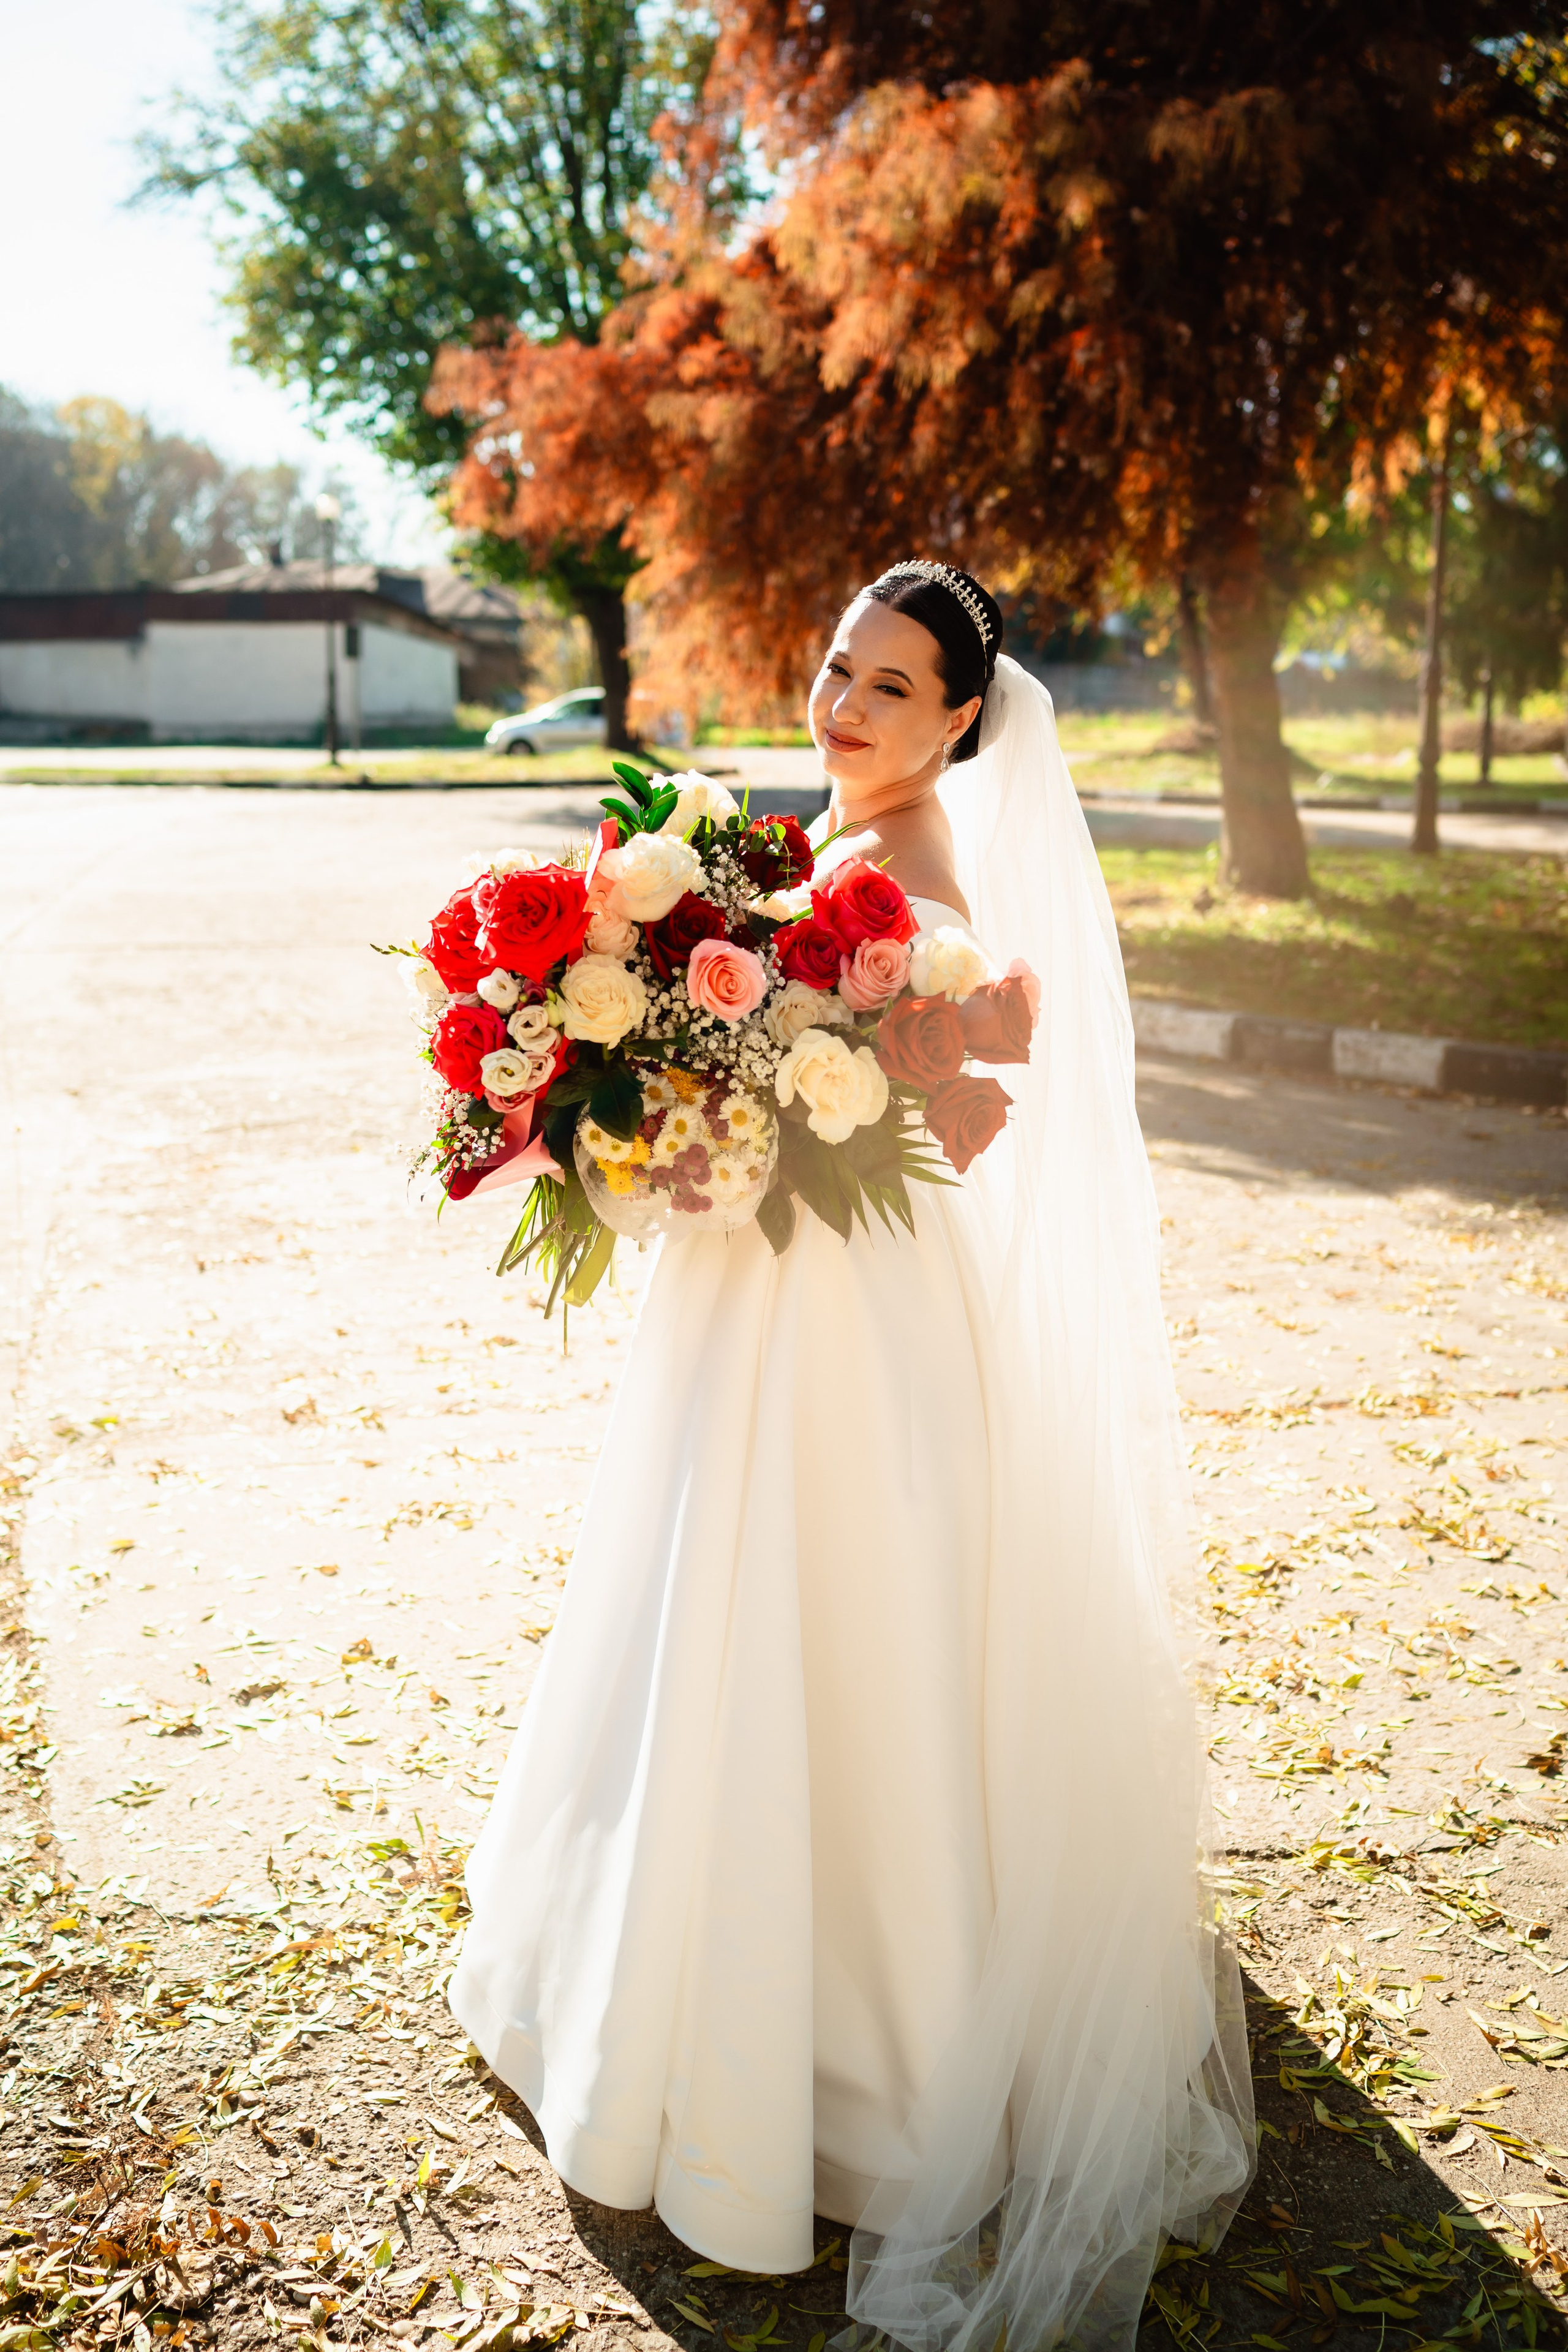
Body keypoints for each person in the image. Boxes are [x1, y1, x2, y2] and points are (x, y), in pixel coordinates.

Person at [450, 561, 1254, 2350]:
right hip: (765, 1276)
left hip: (852, 1296)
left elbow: (915, 1094)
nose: (847, 706)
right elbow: (782, 1053)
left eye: (892, 689)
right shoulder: (819, 837)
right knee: (705, 1577)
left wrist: (768, 1079)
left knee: (839, 1602)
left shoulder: (919, 878)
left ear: (961, 718)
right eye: (837, 670)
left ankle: (863, 2056)